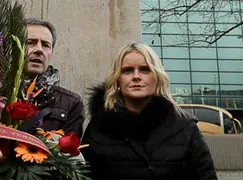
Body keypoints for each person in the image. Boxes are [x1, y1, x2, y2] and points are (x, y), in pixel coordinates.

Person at [82, 42, 217, 180]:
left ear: (157, 77)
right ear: (117, 80)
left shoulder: (185, 128)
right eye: (127, 70)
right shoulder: (98, 127)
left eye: (144, 69)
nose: (136, 76)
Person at [19, 18, 85, 137]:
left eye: (45, 45)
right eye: (30, 42)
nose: (39, 49)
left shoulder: (71, 103)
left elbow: (67, 153)